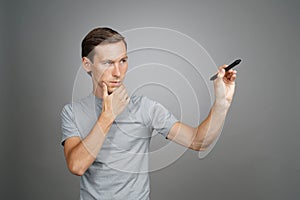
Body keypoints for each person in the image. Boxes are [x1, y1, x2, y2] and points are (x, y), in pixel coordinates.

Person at [61, 27, 237, 200]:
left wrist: (222, 103)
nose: (118, 72)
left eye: (122, 61)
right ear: (87, 64)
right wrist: (108, 115)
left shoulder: (145, 108)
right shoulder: (72, 112)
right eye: (108, 63)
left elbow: (199, 142)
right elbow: (77, 166)